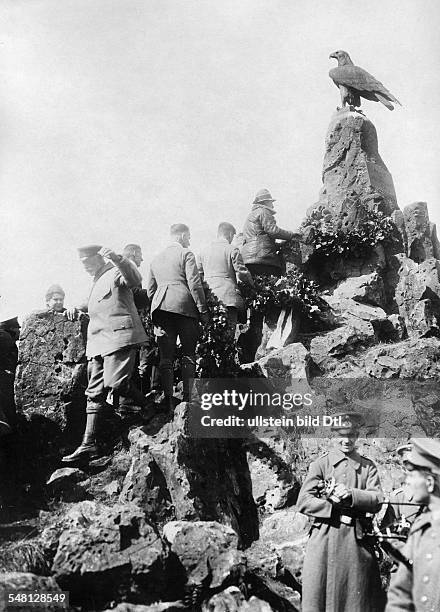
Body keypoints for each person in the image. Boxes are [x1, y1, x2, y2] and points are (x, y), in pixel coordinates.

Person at [62, 245, 148, 463]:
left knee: (116, 383)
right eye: (83, 265)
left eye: (88, 264)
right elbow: (93, 303)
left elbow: (134, 279)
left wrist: (118, 258)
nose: (86, 268)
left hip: (119, 337)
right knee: (94, 393)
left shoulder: (115, 271)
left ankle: (149, 406)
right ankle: (88, 444)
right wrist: (75, 307)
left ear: (99, 258)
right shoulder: (96, 281)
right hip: (99, 343)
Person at [296, 412, 385, 612]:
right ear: (333, 435)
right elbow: (303, 501)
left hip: (356, 540)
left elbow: (378, 499)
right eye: (341, 435)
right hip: (324, 539)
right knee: (319, 594)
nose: (346, 440)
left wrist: (352, 495)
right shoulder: (321, 464)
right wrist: (332, 505)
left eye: (351, 434)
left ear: (357, 435)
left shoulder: (367, 467)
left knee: (355, 597)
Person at [147, 224, 208, 410]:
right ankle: (189, 399)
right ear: (181, 236)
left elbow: (150, 290)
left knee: (166, 357)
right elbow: (195, 284)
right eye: (188, 237)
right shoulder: (186, 254)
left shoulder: (155, 259)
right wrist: (203, 311)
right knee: (189, 353)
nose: (189, 241)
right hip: (184, 306)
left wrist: (158, 306)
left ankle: (168, 399)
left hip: (161, 308)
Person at [239, 188, 300, 362]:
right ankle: (267, 343)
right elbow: (272, 230)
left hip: (250, 260)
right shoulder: (263, 212)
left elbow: (259, 236)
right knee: (270, 300)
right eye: (271, 201)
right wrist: (292, 235)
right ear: (265, 202)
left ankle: (253, 348)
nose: (272, 204)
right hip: (264, 260)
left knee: (256, 306)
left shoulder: (250, 217)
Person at [386, 438, 440, 611]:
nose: (407, 482)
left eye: (411, 475)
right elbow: (400, 593)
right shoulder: (421, 529)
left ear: (430, 483)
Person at [197, 222, 254, 336]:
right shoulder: (232, 249)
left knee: (211, 335)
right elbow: (242, 273)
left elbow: (198, 276)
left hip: (210, 300)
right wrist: (252, 284)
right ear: (229, 234)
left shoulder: (202, 252)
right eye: (232, 236)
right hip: (228, 298)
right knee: (228, 335)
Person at [122, 243, 160, 399]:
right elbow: (133, 293)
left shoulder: (123, 268)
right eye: (140, 255)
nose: (142, 259)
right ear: (133, 253)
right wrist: (154, 293)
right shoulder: (128, 269)